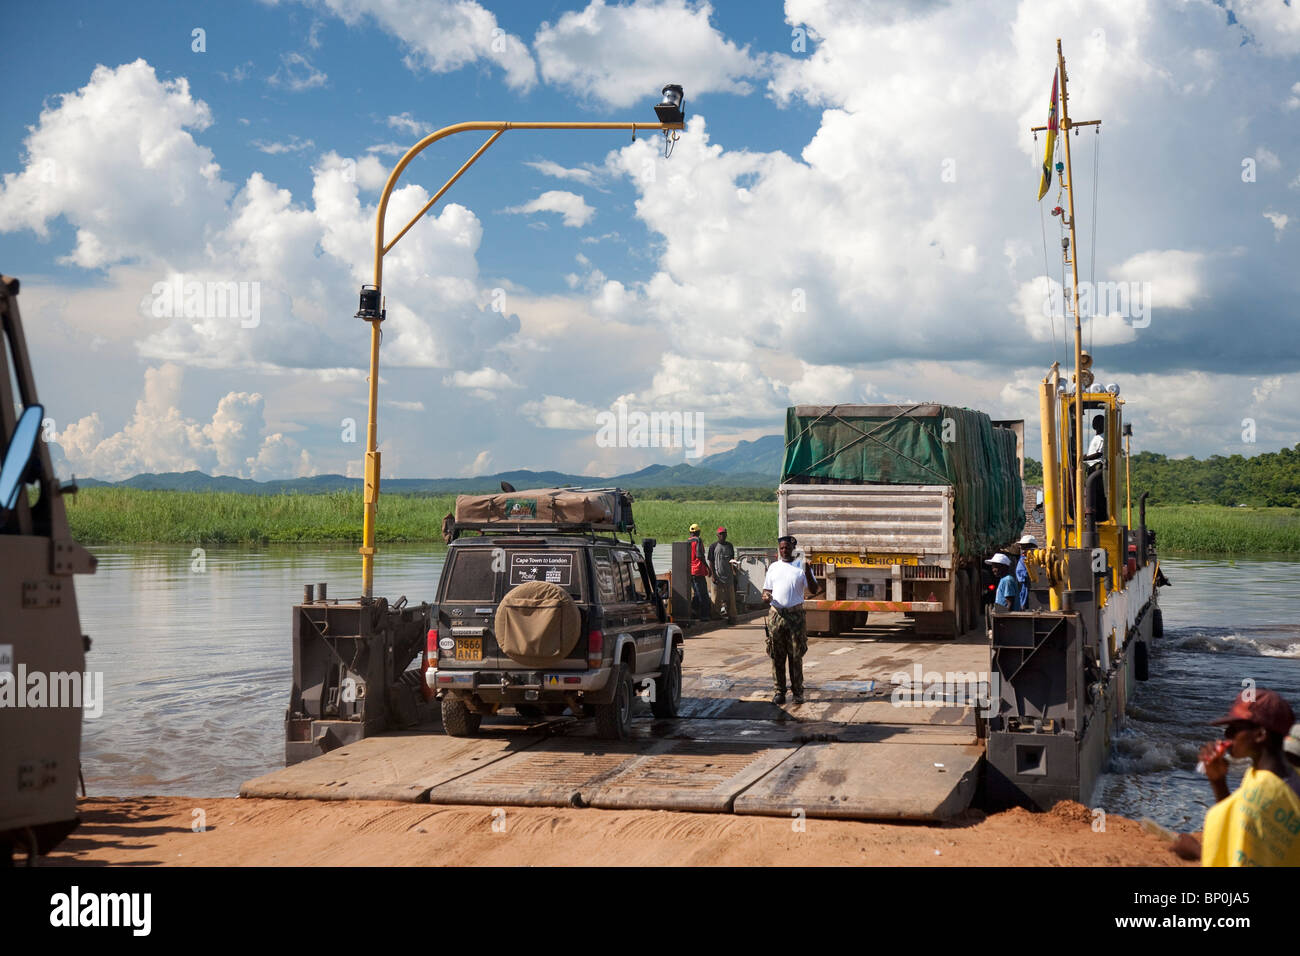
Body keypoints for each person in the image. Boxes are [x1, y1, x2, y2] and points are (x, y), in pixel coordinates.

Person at [1197, 689, 1300, 867]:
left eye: (1235, 729)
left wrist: (1195, 850)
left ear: (1260, 735)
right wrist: (1218, 780)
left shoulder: (1269, 789)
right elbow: (1241, 824)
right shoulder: (1261, 775)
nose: (1227, 734)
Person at [761, 535, 820, 705]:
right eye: (781, 548)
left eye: (787, 548)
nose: (784, 551)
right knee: (777, 655)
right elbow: (766, 590)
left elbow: (815, 589)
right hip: (776, 615)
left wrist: (808, 571)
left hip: (795, 617)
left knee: (795, 655)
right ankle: (779, 691)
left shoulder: (801, 567)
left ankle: (797, 692)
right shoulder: (773, 567)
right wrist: (766, 596)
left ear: (793, 549)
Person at [708, 526, 737, 624]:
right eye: (721, 534)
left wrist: (734, 570)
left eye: (724, 534)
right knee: (716, 598)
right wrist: (713, 575)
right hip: (717, 576)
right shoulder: (713, 546)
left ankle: (732, 617)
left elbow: (732, 560)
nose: (723, 536)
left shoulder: (730, 546)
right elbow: (711, 561)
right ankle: (715, 616)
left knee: (731, 598)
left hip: (728, 576)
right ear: (717, 535)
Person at [1081, 414, 1107, 519]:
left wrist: (1086, 458)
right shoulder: (1097, 437)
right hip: (1091, 465)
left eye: (1099, 422)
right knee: (1090, 491)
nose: (1095, 424)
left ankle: (1096, 514)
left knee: (1095, 491)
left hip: (1097, 466)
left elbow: (1099, 454)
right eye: (1095, 422)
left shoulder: (1102, 437)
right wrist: (1085, 456)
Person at [687, 523, 712, 621]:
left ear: (690, 533)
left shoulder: (687, 541)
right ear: (698, 532)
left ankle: (693, 612)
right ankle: (704, 616)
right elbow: (699, 555)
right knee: (703, 594)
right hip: (698, 571)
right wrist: (708, 567)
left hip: (690, 571)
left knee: (697, 594)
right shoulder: (698, 540)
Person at [1016, 535, 1037, 609]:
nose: (1021, 548)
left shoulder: (1029, 559)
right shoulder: (1023, 558)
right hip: (1025, 586)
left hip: (1029, 586)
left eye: (1023, 546)